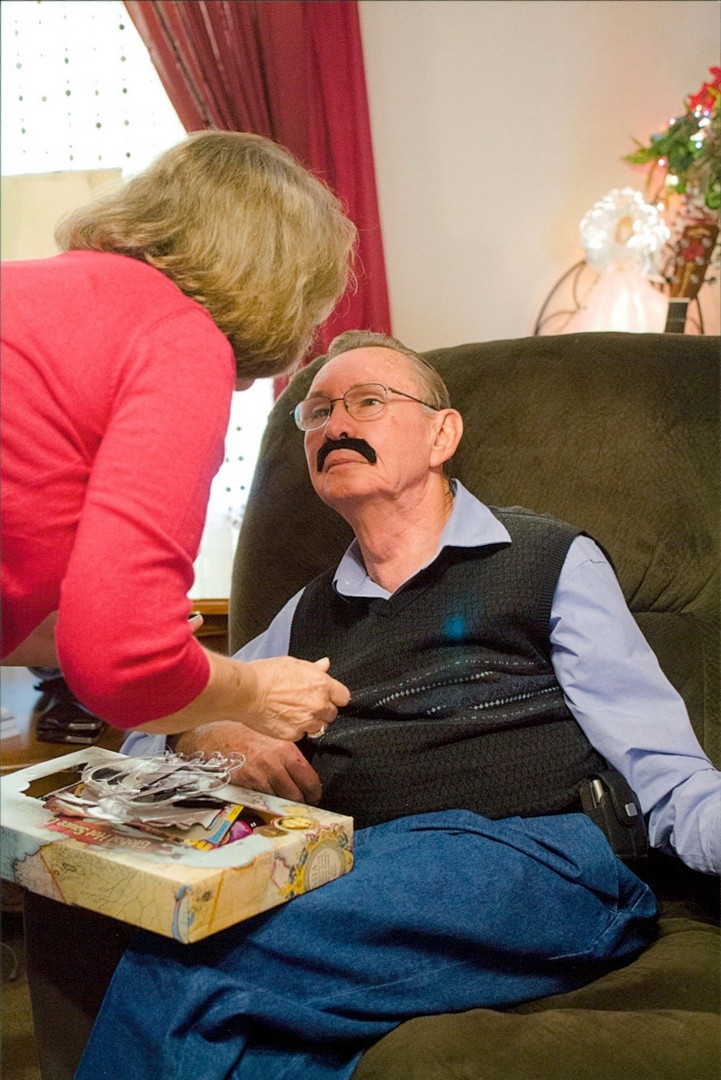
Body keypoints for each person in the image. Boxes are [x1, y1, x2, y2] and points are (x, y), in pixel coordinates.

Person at [76, 331, 719, 1080]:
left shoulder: (547, 560)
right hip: (356, 868)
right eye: (317, 412)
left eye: (367, 402)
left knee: (187, 960)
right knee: (242, 1038)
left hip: (537, 858)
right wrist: (209, 732)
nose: (335, 426)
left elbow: (665, 769)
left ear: (442, 435)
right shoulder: (309, 612)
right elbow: (146, 737)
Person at [1, 130, 354, 743]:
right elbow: (126, 660)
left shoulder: (26, 287)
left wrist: (71, 631)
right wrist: (258, 692)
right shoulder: (179, 337)